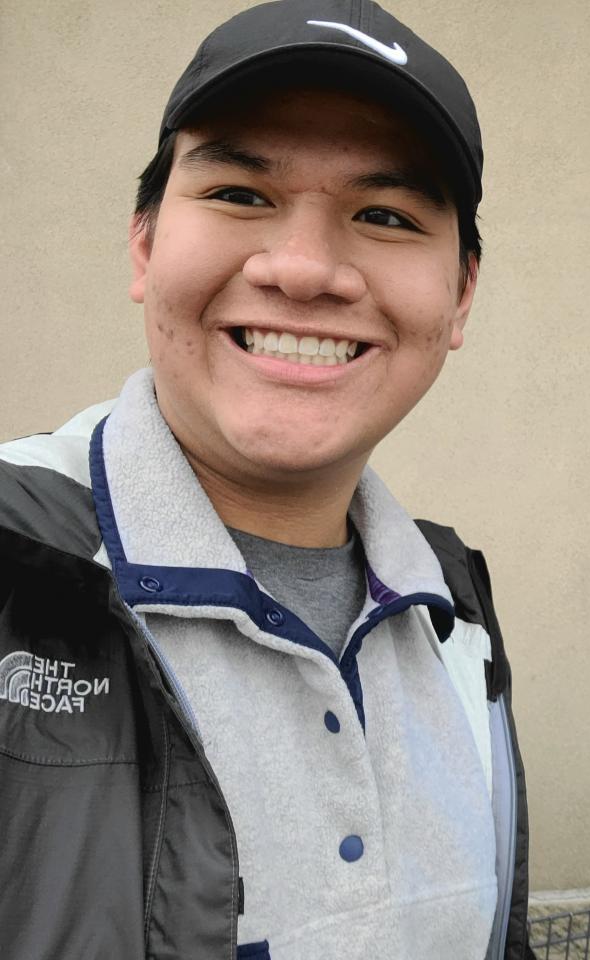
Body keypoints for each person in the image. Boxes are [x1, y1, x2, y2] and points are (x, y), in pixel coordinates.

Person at [0, 2, 531, 957]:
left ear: (460, 296)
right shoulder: (14, 561)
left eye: (385, 215)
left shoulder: (455, 616)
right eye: (242, 194)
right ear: (144, 244)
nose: (305, 269)